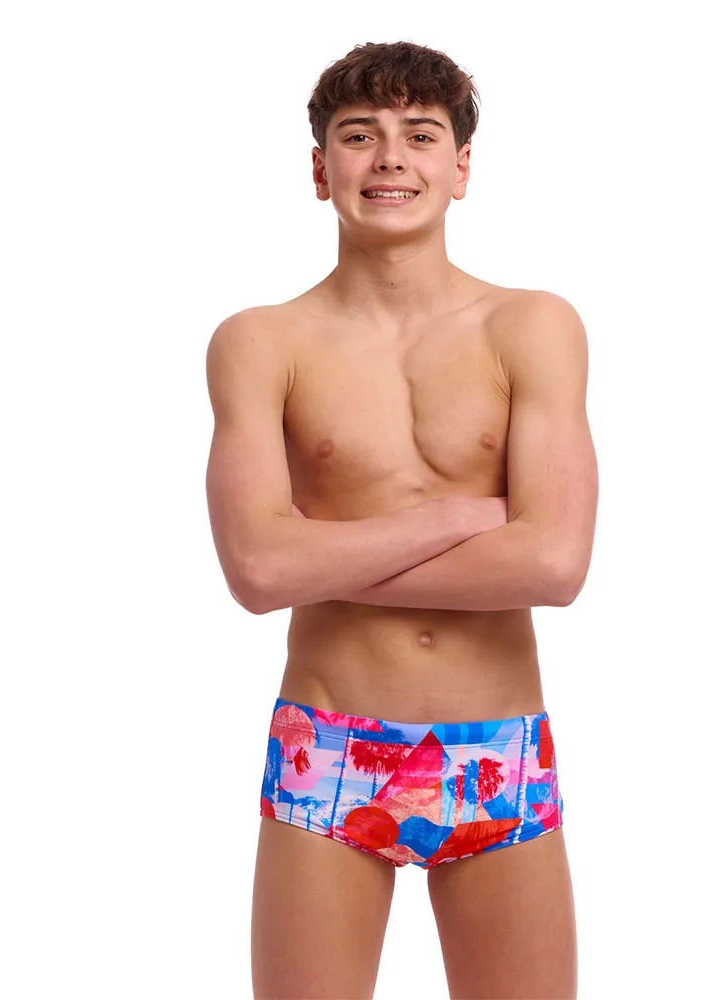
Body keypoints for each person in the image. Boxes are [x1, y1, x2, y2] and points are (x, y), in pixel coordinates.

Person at [205, 40, 598, 1000]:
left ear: (460, 168)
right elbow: (257, 571)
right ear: (320, 169)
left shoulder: (532, 326)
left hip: (496, 747)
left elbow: (554, 563)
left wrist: (320, 554)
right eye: (359, 135)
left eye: (420, 135)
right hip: (327, 749)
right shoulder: (261, 342)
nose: (390, 157)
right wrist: (463, 517)